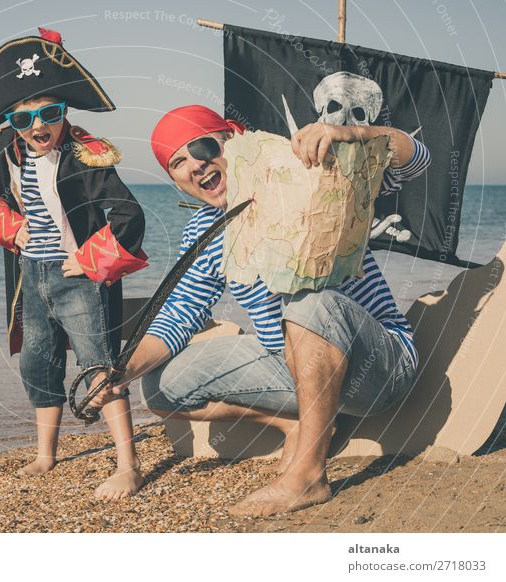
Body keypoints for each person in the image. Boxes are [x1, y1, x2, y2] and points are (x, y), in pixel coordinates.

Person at [91, 104, 430, 515]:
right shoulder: (204, 230)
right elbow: (179, 314)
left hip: (379, 367)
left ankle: (308, 475)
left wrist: (351, 135)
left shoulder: (310, 171)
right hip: (288, 365)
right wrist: (120, 372)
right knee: (162, 385)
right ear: (176, 182)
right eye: (178, 162)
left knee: (308, 300)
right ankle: (297, 423)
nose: (196, 165)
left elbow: (415, 160)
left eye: (202, 146)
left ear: (232, 138)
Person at [0, 28, 148, 499]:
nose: (37, 125)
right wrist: (11, 226)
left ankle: (129, 464)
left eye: (50, 113)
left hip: (78, 279)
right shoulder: (1, 147)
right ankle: (46, 453)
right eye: (23, 118)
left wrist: (90, 261)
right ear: (11, 120)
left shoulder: (86, 156)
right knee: (38, 363)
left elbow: (129, 214)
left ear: (64, 113)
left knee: (98, 365)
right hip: (31, 276)